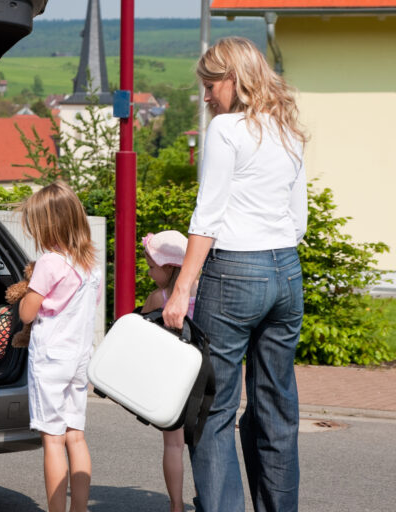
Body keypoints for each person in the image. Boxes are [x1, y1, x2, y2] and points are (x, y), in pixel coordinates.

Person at [162, 37, 308, 512]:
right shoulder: (288, 130)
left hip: (235, 272)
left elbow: (207, 217)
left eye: (210, 84)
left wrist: (181, 289)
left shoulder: (226, 130)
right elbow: (299, 221)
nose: (206, 96)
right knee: (276, 410)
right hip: (287, 271)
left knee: (214, 409)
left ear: (234, 79)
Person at [18, 181, 102, 512]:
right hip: (79, 359)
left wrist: (26, 289)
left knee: (52, 441)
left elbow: (27, 311)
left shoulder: (49, 263)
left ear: (47, 226)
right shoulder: (89, 263)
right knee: (75, 437)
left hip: (51, 360)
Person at [139, 230, 197, 512]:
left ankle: (176, 506)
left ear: (170, 267)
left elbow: (138, 330)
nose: (149, 273)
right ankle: (209, 498)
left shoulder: (158, 298)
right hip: (203, 378)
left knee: (174, 446)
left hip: (171, 381)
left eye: (151, 267)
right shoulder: (207, 294)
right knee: (207, 443)